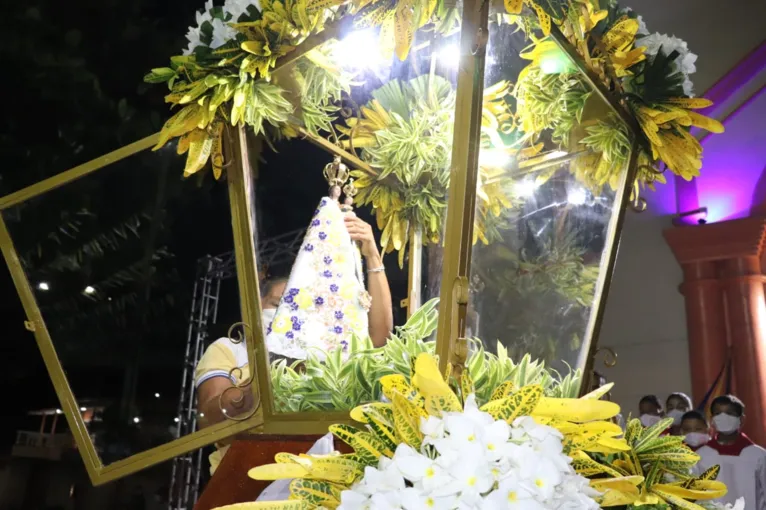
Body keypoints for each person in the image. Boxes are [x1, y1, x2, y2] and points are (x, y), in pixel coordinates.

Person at [194, 212, 394, 474]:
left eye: (299, 309)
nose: (288, 317)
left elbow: (379, 337)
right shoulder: (228, 348)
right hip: (246, 475)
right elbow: (209, 419)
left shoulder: (324, 351)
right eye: (279, 306)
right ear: (258, 305)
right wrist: (268, 375)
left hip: (323, 472)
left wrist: (372, 256)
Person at [695, 395, 766, 510]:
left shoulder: (759, 455)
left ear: (741, 419)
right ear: (712, 420)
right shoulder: (700, 456)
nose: (723, 417)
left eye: (730, 413)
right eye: (718, 413)